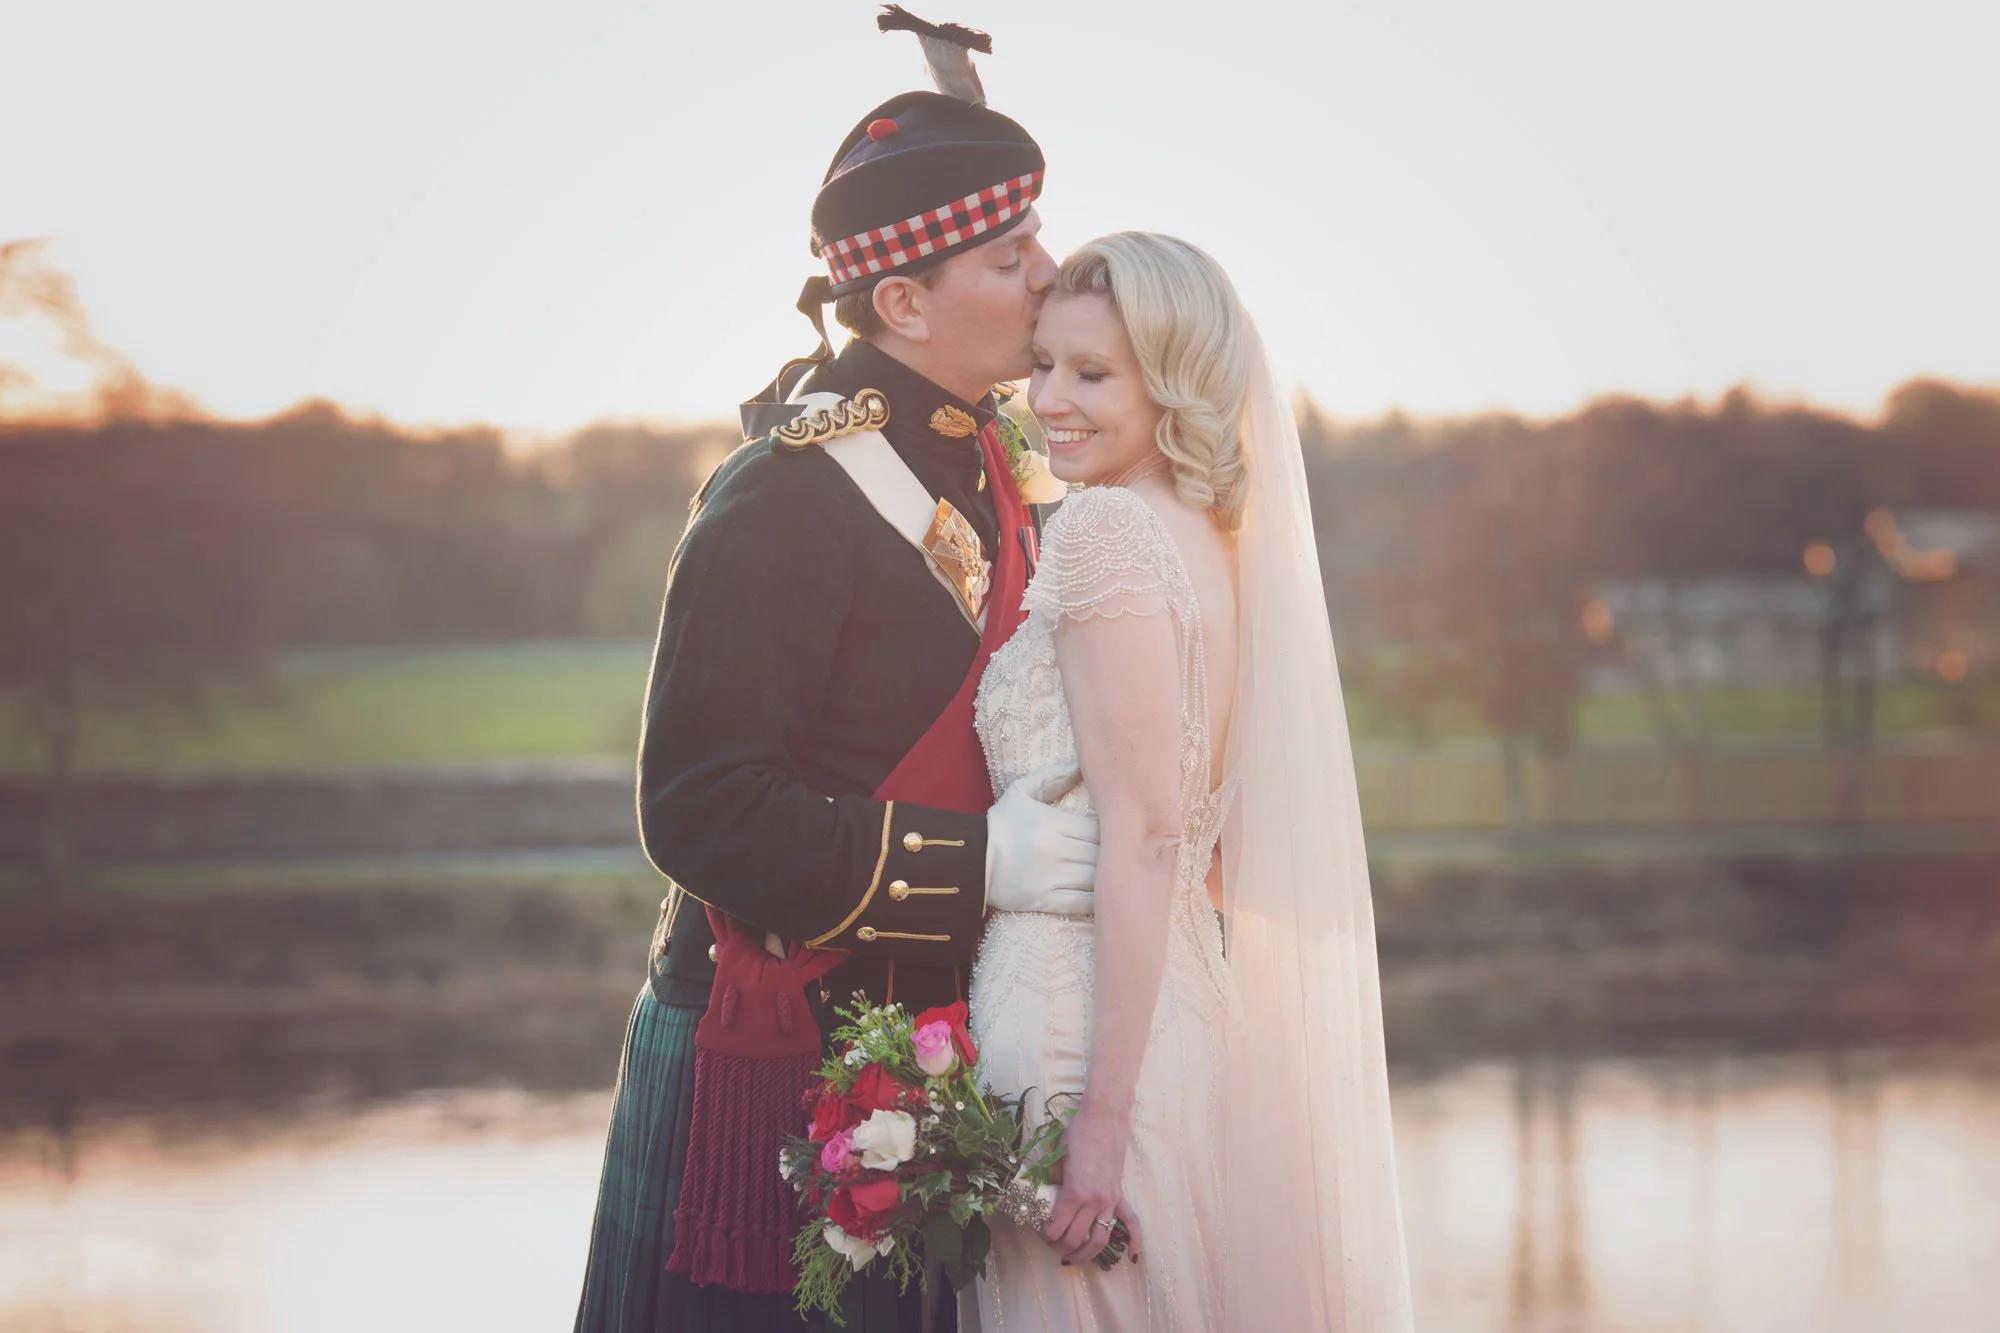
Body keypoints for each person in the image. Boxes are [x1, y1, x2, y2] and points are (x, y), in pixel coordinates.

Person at [572, 11, 1097, 1333]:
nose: (1048, 275)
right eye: (1008, 255)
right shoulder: (781, 497)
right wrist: (986, 863)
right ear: (903, 302)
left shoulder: (987, 458)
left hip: (927, 1036)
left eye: (1035, 240)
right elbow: (699, 808)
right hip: (780, 1046)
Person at [961, 233, 1416, 1331]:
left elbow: (1151, 833)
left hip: (1079, 1025)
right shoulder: (1214, 541)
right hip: (1176, 1002)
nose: (1047, 400)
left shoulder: (1106, 532)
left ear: (1170, 384)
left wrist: (1099, 1120)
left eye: (1092, 373)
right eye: (1044, 364)